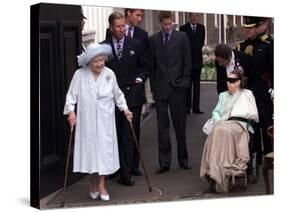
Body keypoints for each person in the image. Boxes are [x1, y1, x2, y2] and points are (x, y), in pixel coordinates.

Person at [63, 43, 133, 201]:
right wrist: (71, 111)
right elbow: (71, 96)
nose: (99, 64)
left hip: (105, 121)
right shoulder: (80, 75)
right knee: (91, 153)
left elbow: (118, 95)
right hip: (87, 121)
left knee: (104, 152)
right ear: (89, 61)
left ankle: (101, 185)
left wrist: (125, 109)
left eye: (102, 60)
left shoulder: (110, 74)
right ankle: (93, 183)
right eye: (96, 61)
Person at [103, 12, 150, 186]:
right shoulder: (104, 47)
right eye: (118, 26)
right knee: (113, 135)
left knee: (128, 136)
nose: (121, 29)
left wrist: (139, 80)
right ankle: (113, 169)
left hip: (132, 96)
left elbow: (145, 67)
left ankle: (126, 173)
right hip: (110, 99)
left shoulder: (135, 44)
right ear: (110, 27)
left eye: (123, 26)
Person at [200, 69, 259, 193]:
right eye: (228, 80)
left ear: (239, 82)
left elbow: (253, 114)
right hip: (224, 123)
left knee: (223, 130)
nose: (228, 83)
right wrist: (219, 120)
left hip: (240, 124)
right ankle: (215, 169)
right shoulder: (223, 95)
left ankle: (223, 168)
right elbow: (216, 111)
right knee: (218, 129)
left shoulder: (247, 94)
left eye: (232, 80)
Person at [149, 11, 192, 174]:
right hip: (161, 89)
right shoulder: (153, 40)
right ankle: (164, 162)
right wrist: (153, 88)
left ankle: (183, 159)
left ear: (172, 23)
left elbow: (187, 61)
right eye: (165, 24)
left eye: (170, 24)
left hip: (178, 88)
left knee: (180, 125)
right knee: (162, 128)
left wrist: (185, 82)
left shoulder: (181, 38)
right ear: (161, 23)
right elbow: (152, 66)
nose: (168, 27)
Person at [235, 16, 273, 156]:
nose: (248, 31)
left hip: (263, 89)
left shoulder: (266, 44)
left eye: (251, 28)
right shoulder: (242, 46)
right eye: (246, 28)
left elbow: (272, 68)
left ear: (256, 28)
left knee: (266, 124)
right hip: (248, 89)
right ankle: (255, 156)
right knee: (252, 126)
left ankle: (269, 156)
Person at [180, 12, 205, 114]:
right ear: (189, 17)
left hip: (198, 61)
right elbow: (183, 45)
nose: (195, 18)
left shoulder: (201, 28)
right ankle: (187, 108)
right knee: (188, 85)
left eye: (196, 16)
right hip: (187, 62)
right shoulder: (183, 28)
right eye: (193, 16)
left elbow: (201, 42)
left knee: (197, 86)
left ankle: (196, 108)